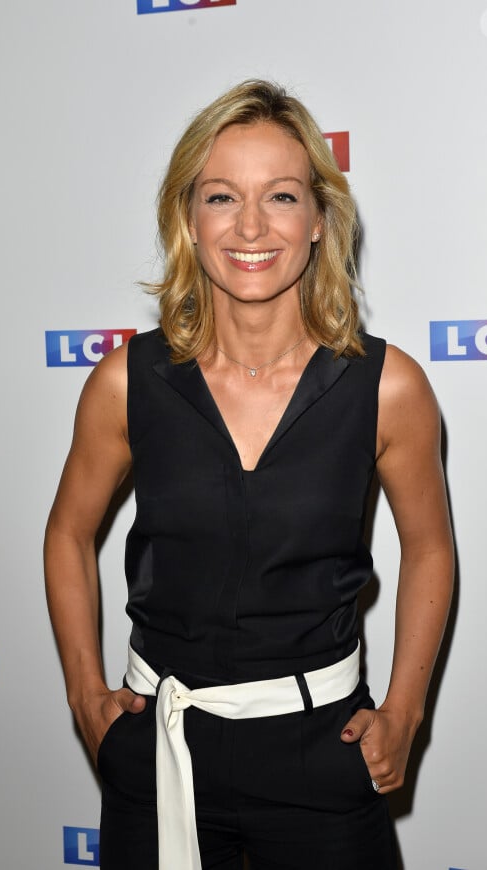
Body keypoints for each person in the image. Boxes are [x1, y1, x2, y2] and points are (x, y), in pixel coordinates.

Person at [44, 80, 454, 870]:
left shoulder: (389, 387)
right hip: (161, 755)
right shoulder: (126, 381)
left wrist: (405, 713)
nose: (253, 226)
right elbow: (67, 532)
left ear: (319, 222)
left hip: (324, 756)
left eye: (283, 196)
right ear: (188, 222)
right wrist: (86, 698)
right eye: (223, 196)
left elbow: (430, 547)